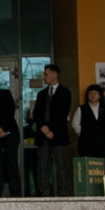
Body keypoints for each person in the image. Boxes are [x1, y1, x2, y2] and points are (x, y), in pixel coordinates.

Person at [29, 63, 73, 195]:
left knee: (60, 165)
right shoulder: (41, 94)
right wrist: (43, 128)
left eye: (46, 74)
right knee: (43, 165)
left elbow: (62, 113)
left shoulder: (65, 92)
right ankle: (44, 193)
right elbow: (36, 113)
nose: (44, 77)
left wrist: (50, 129)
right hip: (42, 135)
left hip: (57, 134)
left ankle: (62, 193)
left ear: (54, 75)